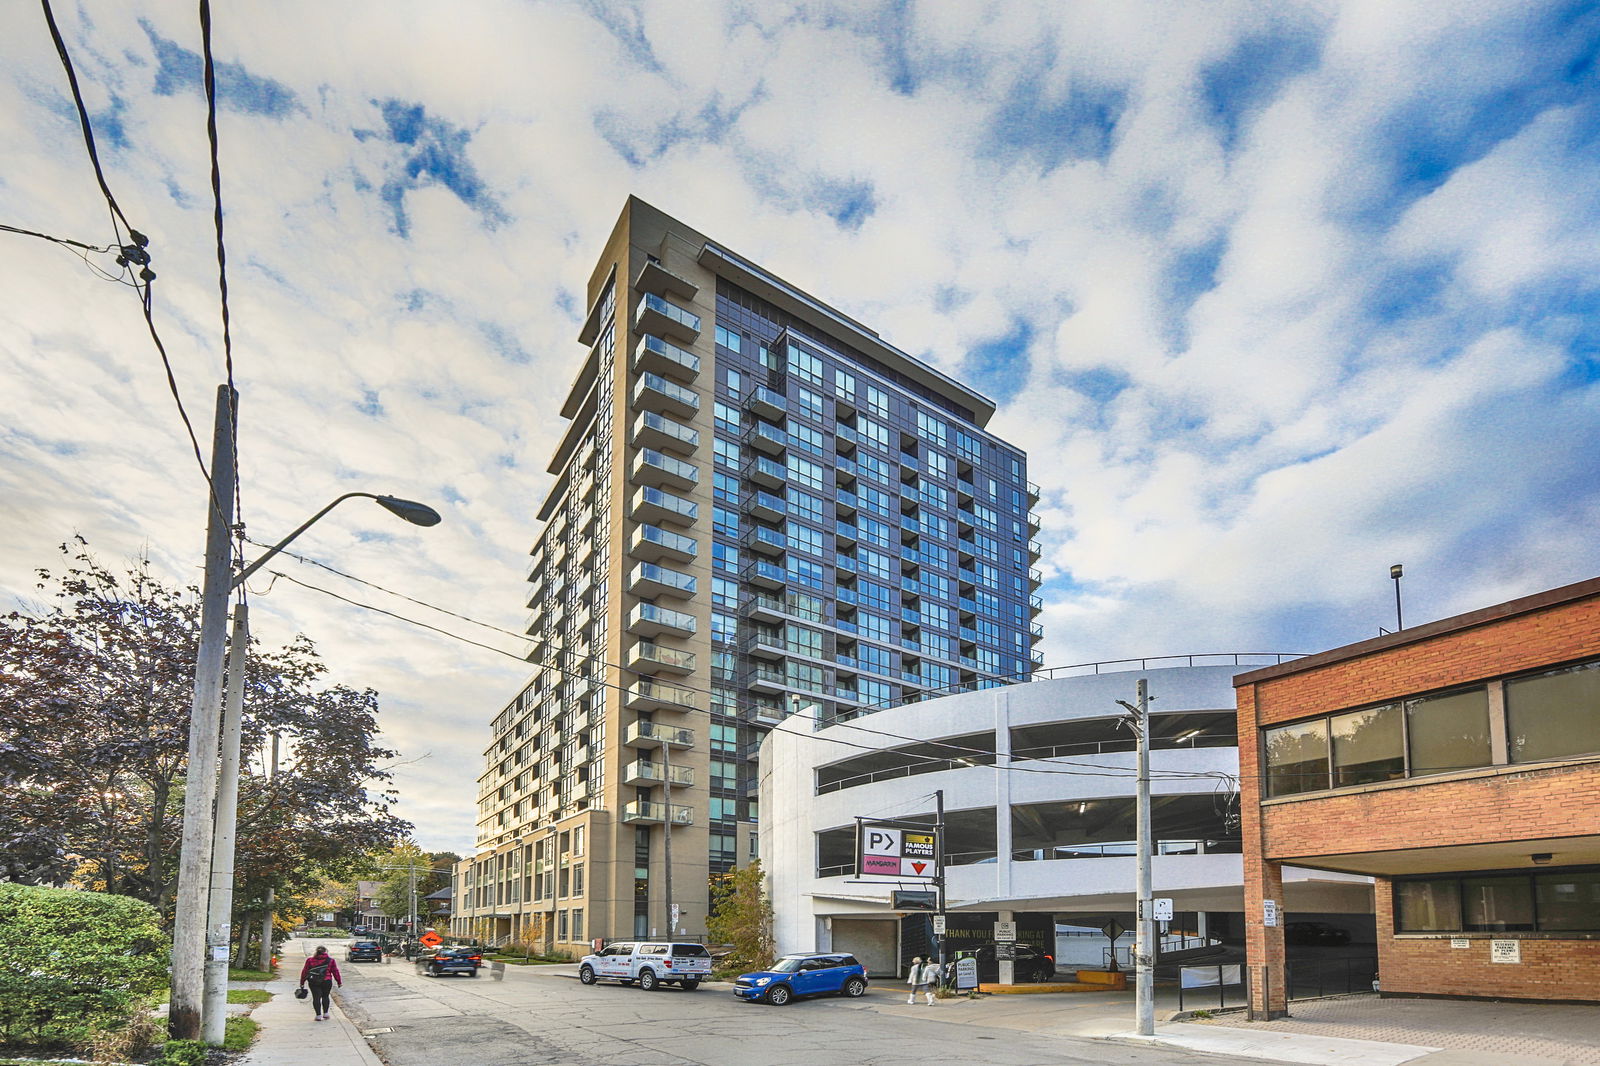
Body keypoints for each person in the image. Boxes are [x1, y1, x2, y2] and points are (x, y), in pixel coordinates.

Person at [299, 945, 342, 1021]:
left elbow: (305, 971)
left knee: (316, 998)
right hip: (327, 980)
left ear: (316, 952)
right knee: (325, 996)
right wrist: (339, 981)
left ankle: (318, 1015)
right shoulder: (331, 960)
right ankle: (326, 1014)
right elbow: (335, 971)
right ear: (325, 952)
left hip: (314, 982)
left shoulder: (310, 960)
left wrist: (302, 982)